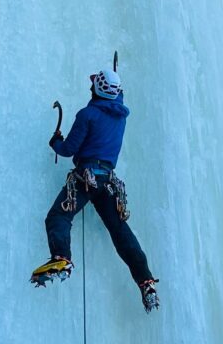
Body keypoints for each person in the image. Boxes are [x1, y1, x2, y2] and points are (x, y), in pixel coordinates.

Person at [30, 69, 160, 312]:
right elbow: (113, 103)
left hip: (85, 178)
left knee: (59, 216)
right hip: (108, 182)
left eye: (94, 84)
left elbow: (68, 149)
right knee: (121, 232)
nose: (90, 86)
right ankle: (146, 281)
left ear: (97, 88)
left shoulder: (87, 115)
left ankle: (61, 259)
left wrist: (55, 142)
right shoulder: (121, 116)